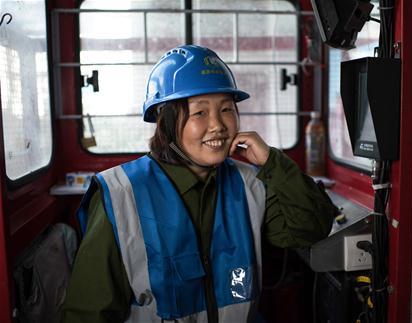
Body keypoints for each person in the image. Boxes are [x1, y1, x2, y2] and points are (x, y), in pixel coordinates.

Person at [62, 45, 338, 323]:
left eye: (226, 109)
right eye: (200, 113)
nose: (218, 125)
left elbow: (311, 229)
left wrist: (272, 162)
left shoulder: (250, 183)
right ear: (166, 121)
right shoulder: (121, 194)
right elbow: (88, 313)